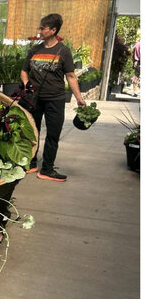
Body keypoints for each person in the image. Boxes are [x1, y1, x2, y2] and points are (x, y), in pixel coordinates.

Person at [20, 13, 86, 182]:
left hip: (55, 99)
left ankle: (47, 169)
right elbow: (24, 70)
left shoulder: (63, 51)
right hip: (34, 98)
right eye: (40, 27)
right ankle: (31, 163)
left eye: (43, 28)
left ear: (53, 30)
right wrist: (26, 85)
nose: (39, 31)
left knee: (53, 134)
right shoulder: (34, 50)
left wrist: (79, 97)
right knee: (32, 132)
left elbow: (70, 76)